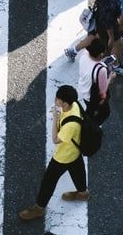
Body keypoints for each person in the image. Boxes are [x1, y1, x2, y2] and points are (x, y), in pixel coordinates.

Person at [16, 85, 89, 219]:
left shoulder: (70, 125)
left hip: (64, 155)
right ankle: (83, 193)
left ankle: (39, 208)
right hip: (75, 150)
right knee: (77, 170)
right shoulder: (75, 105)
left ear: (65, 103)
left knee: (48, 181)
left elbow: (55, 140)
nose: (55, 101)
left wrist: (55, 118)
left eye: (57, 99)